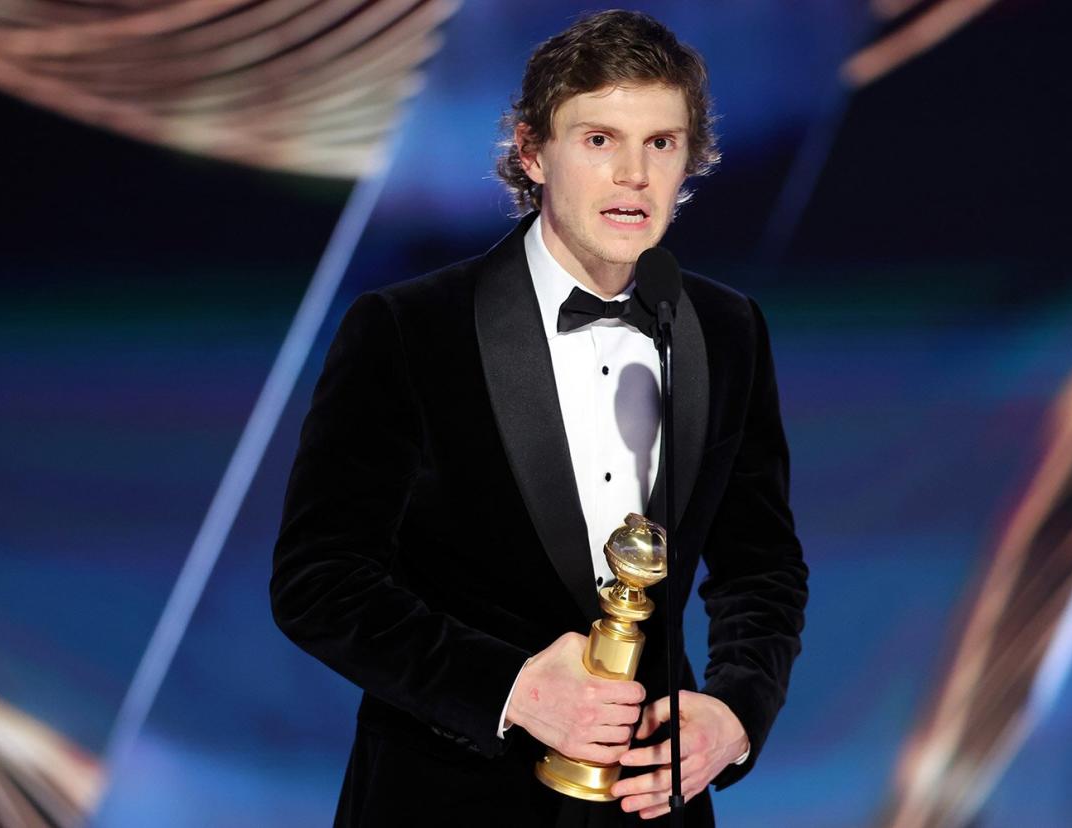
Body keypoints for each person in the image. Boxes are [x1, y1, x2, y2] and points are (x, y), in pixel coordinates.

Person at [270, 10, 807, 826]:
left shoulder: (726, 331)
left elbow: (761, 570)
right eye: (599, 140)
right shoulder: (409, 328)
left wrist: (733, 717)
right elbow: (319, 584)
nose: (633, 174)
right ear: (531, 151)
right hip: (444, 803)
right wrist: (512, 688)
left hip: (648, 809)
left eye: (660, 143)